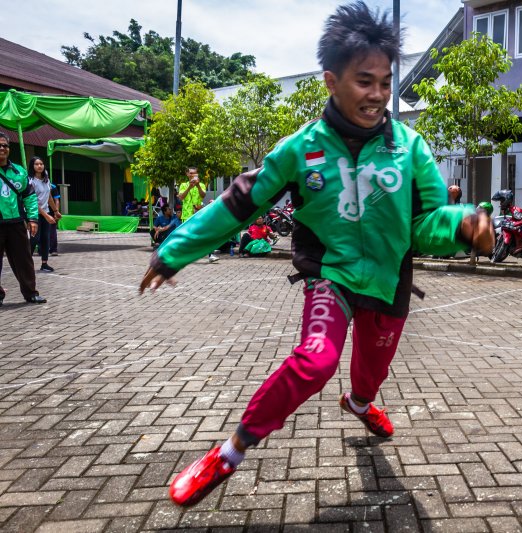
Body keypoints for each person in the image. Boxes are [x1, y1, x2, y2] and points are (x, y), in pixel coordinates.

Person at [140, 1, 494, 507]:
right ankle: (228, 453)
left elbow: (426, 224)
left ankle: (360, 402)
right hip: (331, 275)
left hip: (390, 282)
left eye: (385, 82)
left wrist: (463, 228)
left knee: (369, 377)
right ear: (331, 80)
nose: (377, 95)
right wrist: (171, 252)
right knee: (316, 360)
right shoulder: (298, 150)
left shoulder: (410, 148)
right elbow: (236, 204)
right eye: (363, 81)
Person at [0, 132, 46, 306]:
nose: (2, 148)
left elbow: (29, 196)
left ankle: (31, 293)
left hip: (16, 223)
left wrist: (33, 219)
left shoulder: (19, 171)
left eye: (5, 145)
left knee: (24, 260)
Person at [27, 156, 57, 272]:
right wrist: (46, 215)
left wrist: (55, 211)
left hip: (46, 212)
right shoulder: (30, 181)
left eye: (41, 164)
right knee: (35, 239)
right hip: (34, 213)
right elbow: (32, 201)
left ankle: (44, 264)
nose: (39, 166)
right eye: (36, 164)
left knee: (45, 238)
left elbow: (49, 197)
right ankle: (26, 263)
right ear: (32, 166)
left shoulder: (46, 180)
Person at [49, 181, 61, 256]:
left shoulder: (52, 186)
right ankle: (41, 249)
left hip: (51, 210)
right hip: (39, 211)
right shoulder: (33, 183)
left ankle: (53, 249)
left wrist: (56, 212)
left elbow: (56, 200)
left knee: (52, 230)